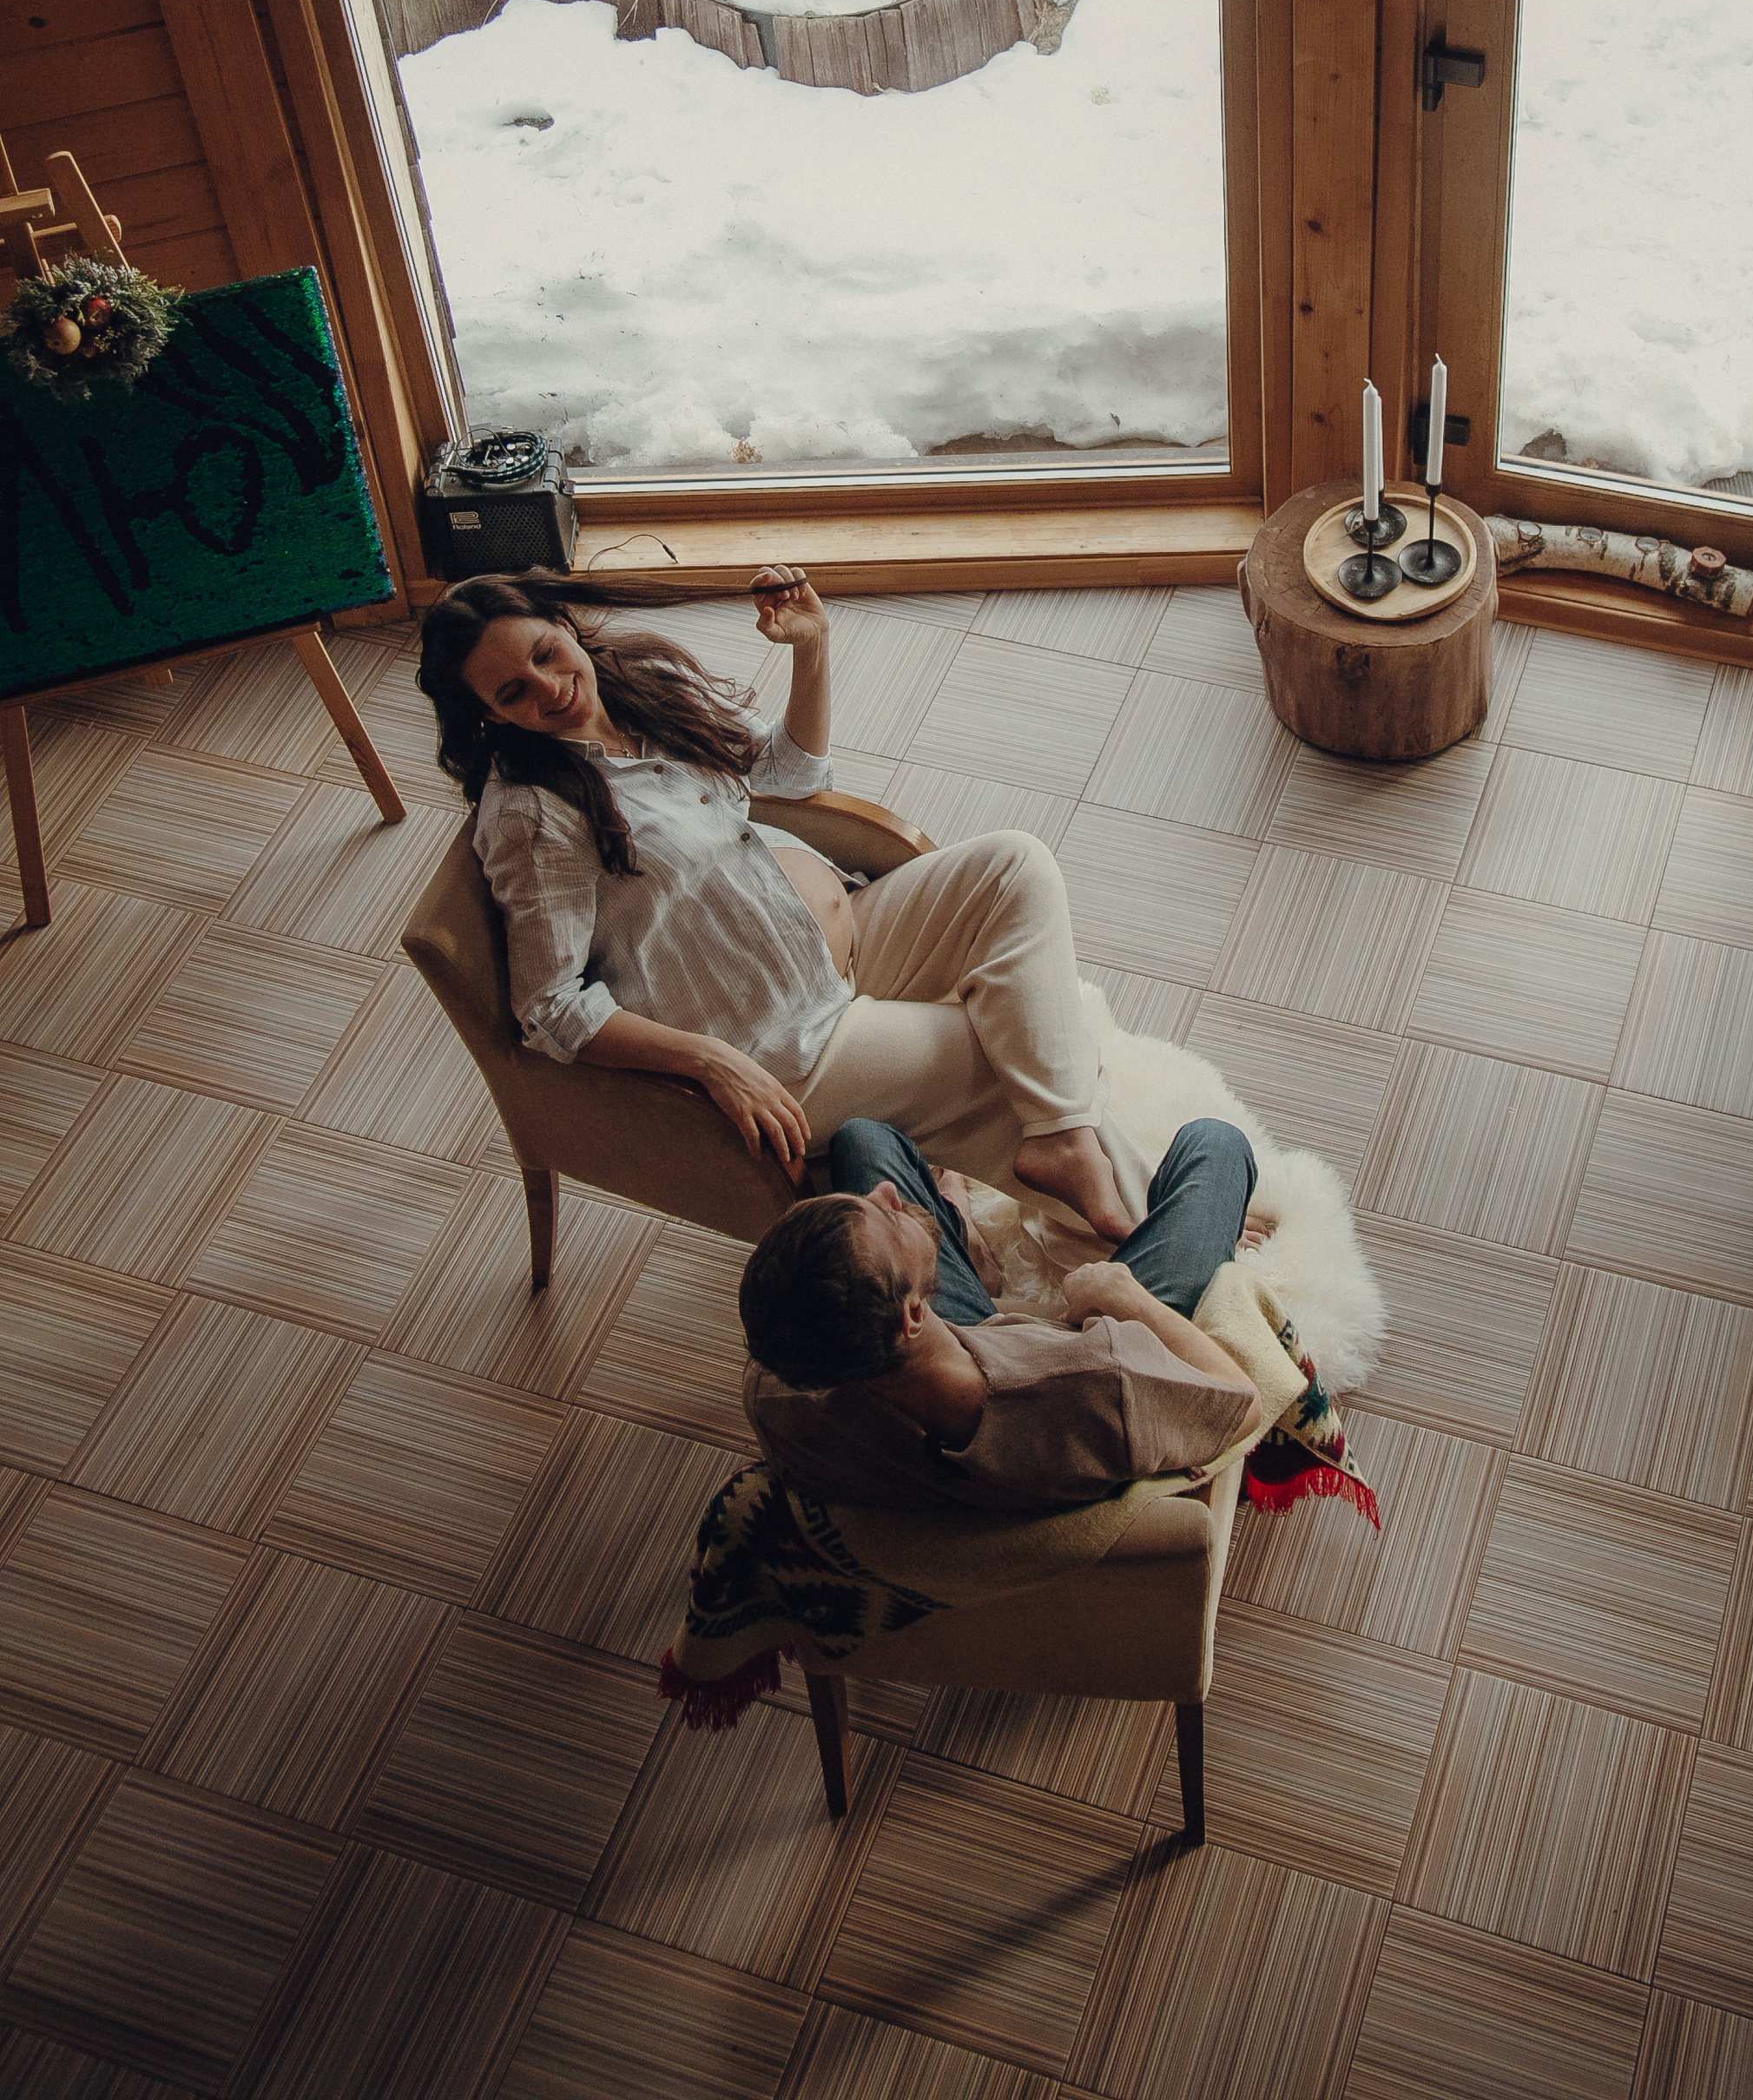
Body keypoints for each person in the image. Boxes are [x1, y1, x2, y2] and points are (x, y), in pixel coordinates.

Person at [418, 566, 1148, 1243]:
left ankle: (1066, 1139)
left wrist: (812, 648)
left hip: (838, 946)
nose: (547, 688)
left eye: (544, 654)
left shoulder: (641, 683)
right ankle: (1154, 1229)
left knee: (1013, 865)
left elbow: (788, 775)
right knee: (994, 1057)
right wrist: (710, 1064)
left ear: (567, 624)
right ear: (489, 717)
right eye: (511, 692)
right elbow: (548, 1007)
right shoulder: (530, 816)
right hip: (787, 1044)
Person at [738, 1113, 1264, 1511]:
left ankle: (967, 1241)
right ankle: (1198, 1234)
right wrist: (1123, 1295)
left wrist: (894, 1239)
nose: (886, 1193)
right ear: (913, 1315)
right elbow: (1243, 1406)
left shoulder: (777, 1390)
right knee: (1215, 1144)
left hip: (947, 1362)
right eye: (890, 1220)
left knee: (862, 1139)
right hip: (1042, 1366)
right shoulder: (1099, 1378)